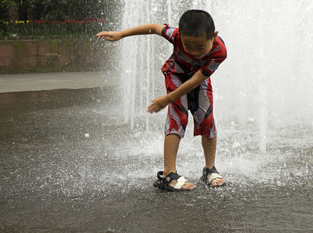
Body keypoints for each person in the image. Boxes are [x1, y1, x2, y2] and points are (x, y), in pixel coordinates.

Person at [96, 10, 227, 191]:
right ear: (180, 35)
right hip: (176, 74)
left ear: (214, 36)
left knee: (207, 118)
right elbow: (153, 28)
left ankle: (210, 169)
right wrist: (121, 34)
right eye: (188, 46)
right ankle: (169, 174)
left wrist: (167, 99)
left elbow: (197, 80)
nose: (194, 52)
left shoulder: (219, 51)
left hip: (198, 78)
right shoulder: (175, 35)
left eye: (200, 48)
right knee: (178, 117)